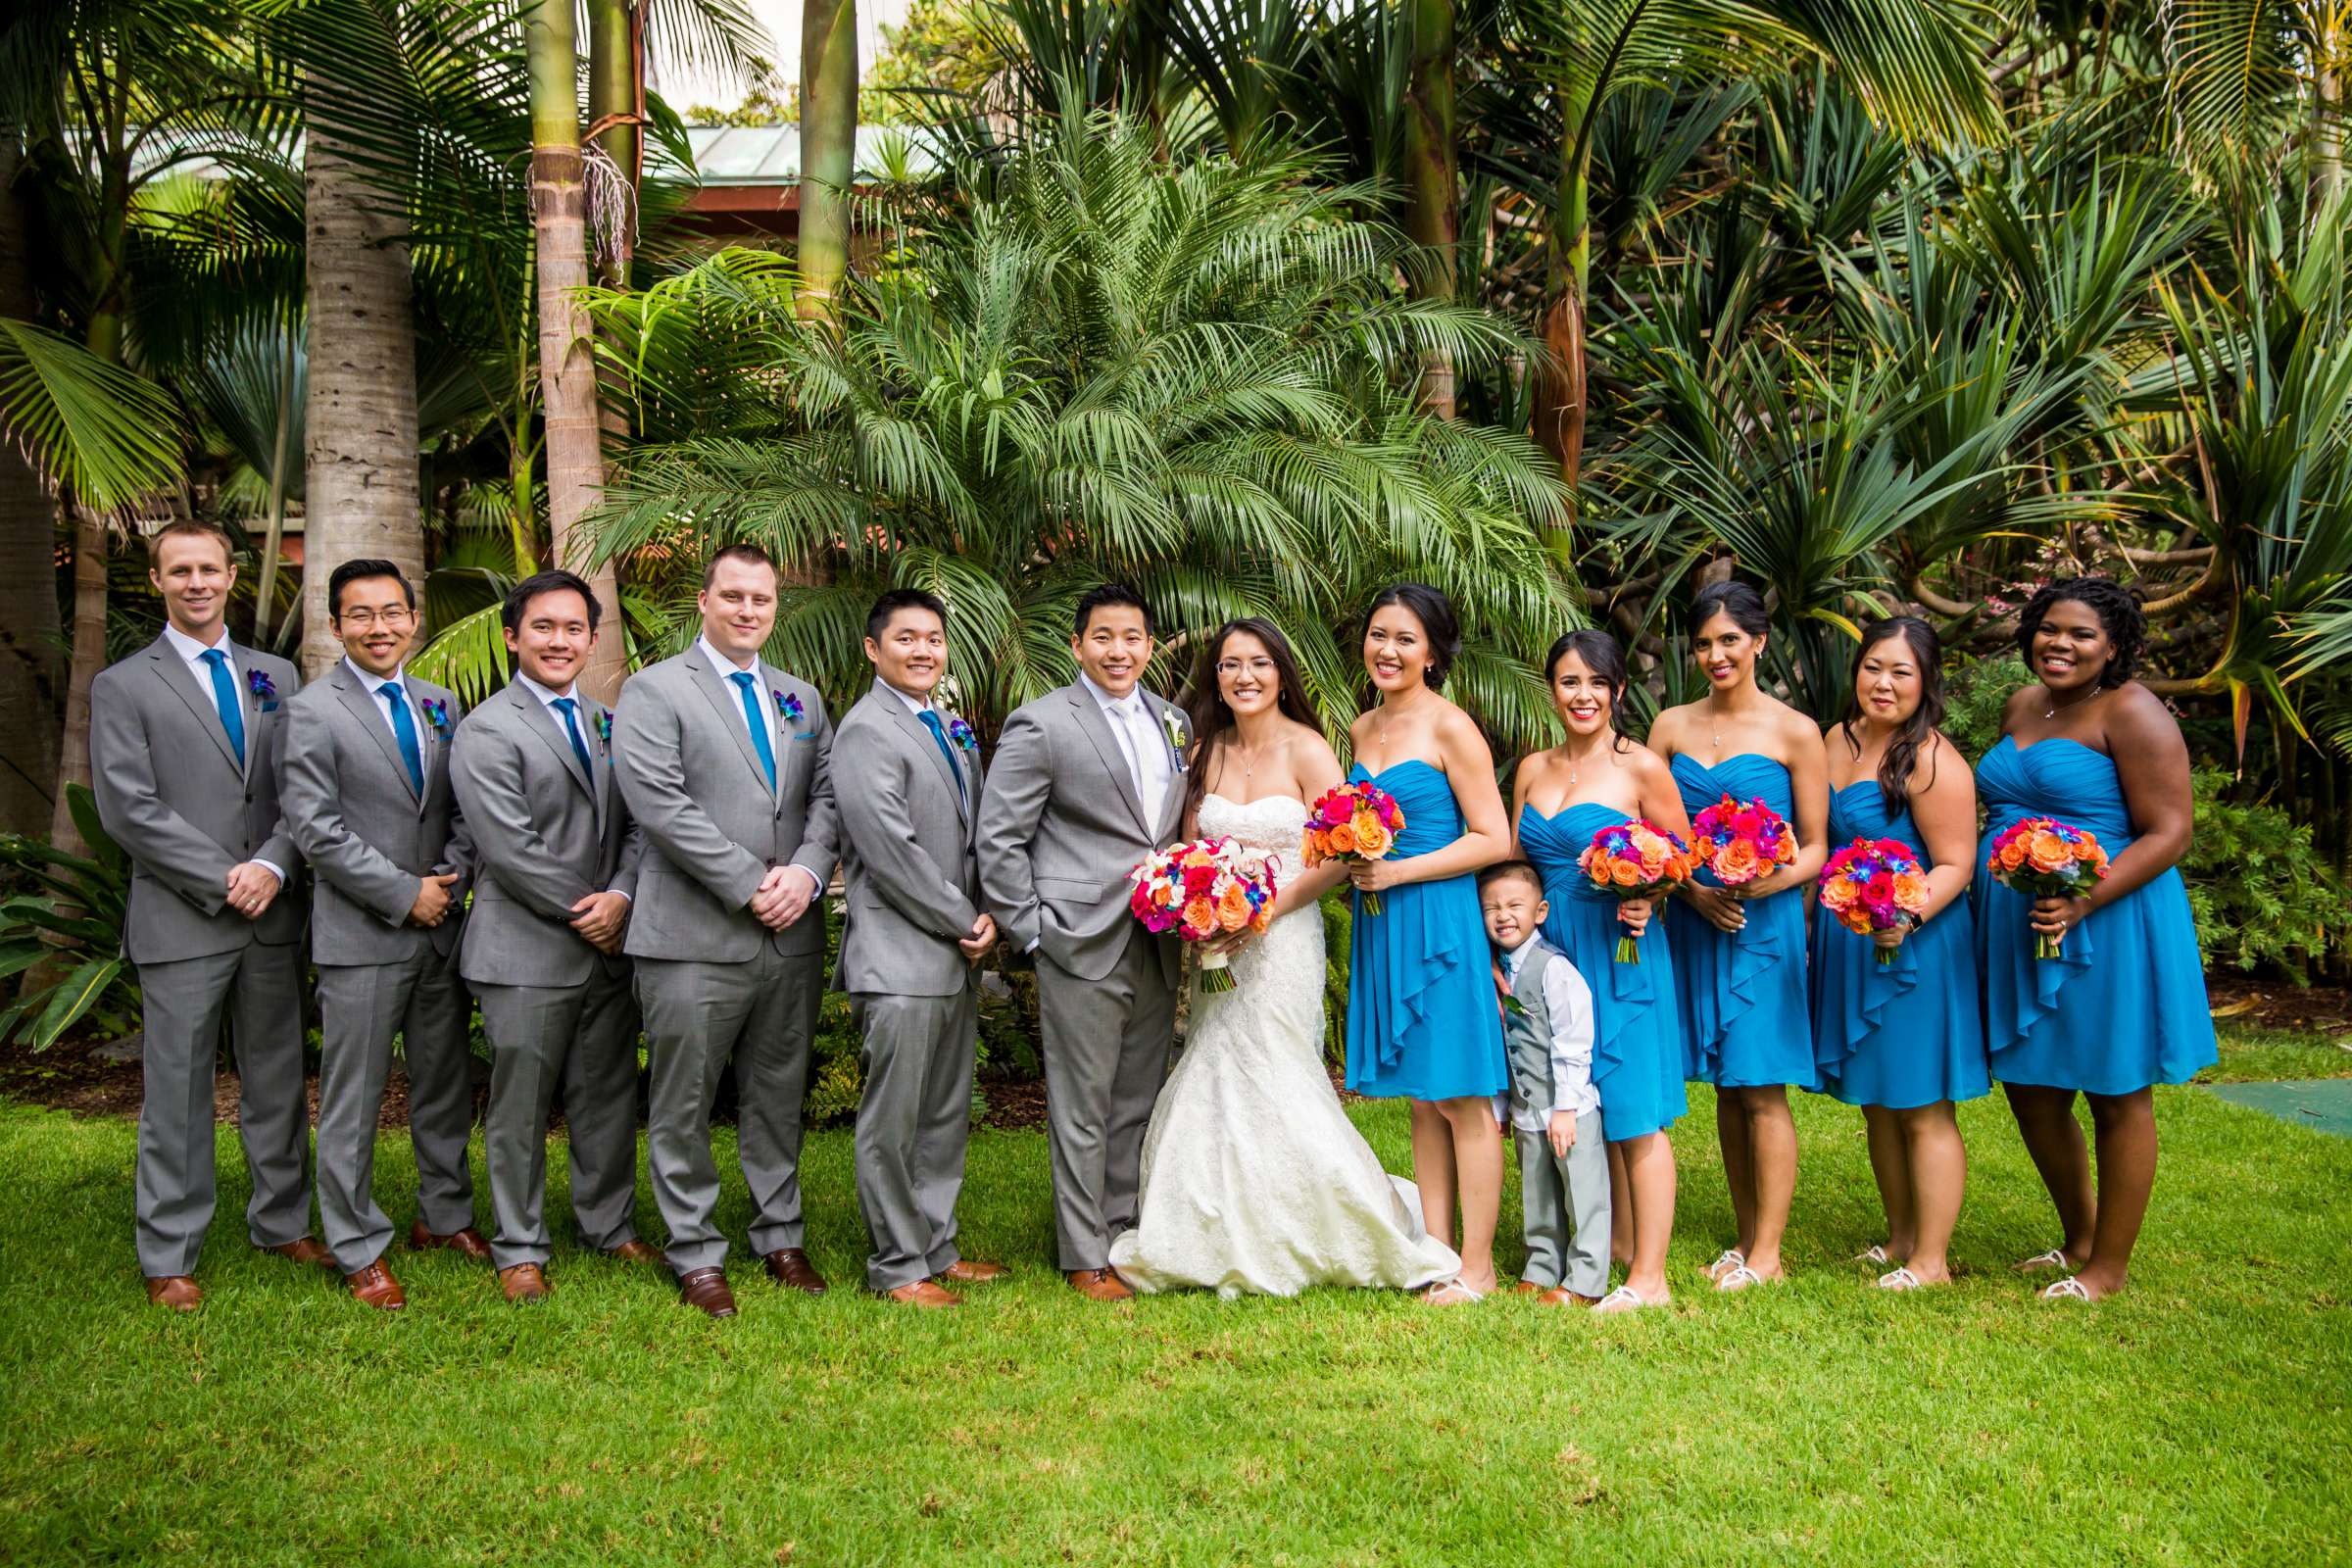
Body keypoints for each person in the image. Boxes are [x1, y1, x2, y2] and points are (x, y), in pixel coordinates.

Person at [1107, 619, 1460, 1298]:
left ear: (1280, 673)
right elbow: (1187, 852)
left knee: (1278, 1068)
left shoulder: (1309, 751)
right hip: (1218, 944)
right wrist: (1197, 914)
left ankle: (1321, 1222)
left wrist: (1261, 911)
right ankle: (1211, 1229)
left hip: (1283, 938)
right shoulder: (1205, 753)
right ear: (1216, 677)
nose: (1244, 676)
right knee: (1214, 1066)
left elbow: (1339, 853)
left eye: (1259, 663)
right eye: (1230, 665)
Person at [90, 522, 321, 1310]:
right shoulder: (123, 685)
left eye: (208, 569)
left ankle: (283, 1222)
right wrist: (226, 876)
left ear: (231, 576)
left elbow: (305, 789)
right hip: (185, 916)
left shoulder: (276, 674)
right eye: (179, 570)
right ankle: (169, 1252)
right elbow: (129, 808)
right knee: (179, 1089)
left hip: (272, 914)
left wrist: (274, 864)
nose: (196, 582)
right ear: (158, 581)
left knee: (279, 1079)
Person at [612, 544, 840, 1318]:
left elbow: (828, 801)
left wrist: (806, 875)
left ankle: (779, 1234)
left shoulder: (801, 699)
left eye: (762, 599)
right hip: (692, 935)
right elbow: (659, 804)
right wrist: (750, 884)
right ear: (703, 600)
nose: (749, 611)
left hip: (790, 934)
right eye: (734, 596)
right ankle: (695, 1252)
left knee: (777, 1095)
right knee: (685, 1100)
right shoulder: (653, 691)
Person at [1977, 577, 2216, 1301]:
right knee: (2031, 1085)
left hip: (2110, 915)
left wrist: (2084, 900)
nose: (2061, 644)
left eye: (2082, 634)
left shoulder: (2132, 710)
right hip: (2022, 918)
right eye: (2050, 629)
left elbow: (2171, 831)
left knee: (2115, 1090)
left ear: (2114, 646)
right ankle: (2078, 1236)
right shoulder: (2022, 706)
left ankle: (2107, 1269)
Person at [448, 570, 660, 1305]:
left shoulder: (608, 721)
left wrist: (624, 898)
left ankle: (608, 1225)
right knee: (521, 1106)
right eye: (543, 627)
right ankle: (519, 1246)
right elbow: (509, 848)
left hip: (608, 944)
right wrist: (589, 913)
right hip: (527, 950)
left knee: (605, 1095)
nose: (559, 640)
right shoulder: (486, 729)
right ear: (513, 636)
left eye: (574, 628)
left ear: (592, 639)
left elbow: (639, 826)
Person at [976, 585, 1189, 1302]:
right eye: (1103, 637)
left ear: (1150, 646)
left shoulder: (1175, 721)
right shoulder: (1041, 723)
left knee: (1135, 1096)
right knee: (1081, 1102)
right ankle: (1081, 1254)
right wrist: (1033, 931)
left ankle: (1120, 1231)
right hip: (1078, 937)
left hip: (1157, 938)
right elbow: (999, 837)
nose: (1118, 651)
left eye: (1132, 637)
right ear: (1076, 645)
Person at [280, 558, 482, 1310]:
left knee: (442, 1084)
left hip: (440, 929)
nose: (379, 627)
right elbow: (315, 830)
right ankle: (358, 1244)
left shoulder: (439, 702)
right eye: (361, 615)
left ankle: (446, 1216)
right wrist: (405, 896)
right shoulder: (312, 710)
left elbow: (462, 807)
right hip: (363, 933)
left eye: (392, 612)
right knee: (353, 1097)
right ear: (337, 626)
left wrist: (447, 883)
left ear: (413, 618)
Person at [1650, 580, 1826, 1293]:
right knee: (1727, 1084)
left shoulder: (1794, 732)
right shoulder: (1669, 727)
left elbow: (1816, 846)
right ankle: (1744, 1234)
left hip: (1764, 919)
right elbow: (1655, 833)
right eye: (1703, 643)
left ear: (1758, 641)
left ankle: (1770, 1254)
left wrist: (1761, 885)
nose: (1716, 655)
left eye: (1730, 640)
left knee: (1762, 1086)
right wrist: (1692, 888)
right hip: (1697, 916)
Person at [831, 589, 1005, 1308]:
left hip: (954, 954)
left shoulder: (947, 727)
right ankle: (898, 1264)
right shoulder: (866, 731)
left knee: (940, 1113)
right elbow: (890, 851)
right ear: (874, 650)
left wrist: (991, 910)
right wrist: (966, 920)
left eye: (933, 638)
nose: (923, 651)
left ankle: (937, 1244)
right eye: (906, 639)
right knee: (893, 1120)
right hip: (902, 954)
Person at [1509, 629, 1690, 1313]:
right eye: (1568, 682)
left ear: (1617, 690)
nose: (1582, 695)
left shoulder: (1642, 768)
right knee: (1569, 1100)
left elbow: (1683, 856)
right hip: (1550, 952)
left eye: (1596, 682)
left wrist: (1649, 892)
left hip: (1620, 948)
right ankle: (1600, 1246)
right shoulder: (1532, 768)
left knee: (1634, 1108)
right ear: (1551, 689)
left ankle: (1650, 1277)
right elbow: (1517, 865)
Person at [1342, 584, 1510, 1305]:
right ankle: (1438, 1252)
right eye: (1380, 635)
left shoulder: (1451, 728)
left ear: (1434, 653)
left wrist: (1398, 869)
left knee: (1462, 1094)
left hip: (1437, 919)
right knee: (1421, 1097)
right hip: (1383, 923)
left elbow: (1494, 836)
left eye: (1406, 639)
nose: (1389, 650)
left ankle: (1478, 1266)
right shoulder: (1358, 730)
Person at [1812, 618, 1984, 1291]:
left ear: (1927, 682)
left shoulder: (1932, 759)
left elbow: (1957, 863)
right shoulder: (1837, 739)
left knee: (1923, 1103)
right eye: (1873, 667)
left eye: (1901, 672)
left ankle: (1932, 1262)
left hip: (1915, 944)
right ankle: (1900, 1237)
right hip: (1853, 940)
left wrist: (1903, 917)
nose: (1883, 684)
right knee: (1879, 1099)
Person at [1478, 861, 1605, 1306]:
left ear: (1541, 910)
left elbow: (1574, 1038)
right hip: (1527, 1109)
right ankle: (1542, 1264)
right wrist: (1501, 1109)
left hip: (1568, 1109)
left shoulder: (1554, 969)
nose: (1502, 915)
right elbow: (1503, 1047)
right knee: (1538, 1191)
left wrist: (1567, 1107)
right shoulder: (1493, 972)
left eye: (1515, 905)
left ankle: (1586, 1279)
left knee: (1583, 1193)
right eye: (1491, 907)